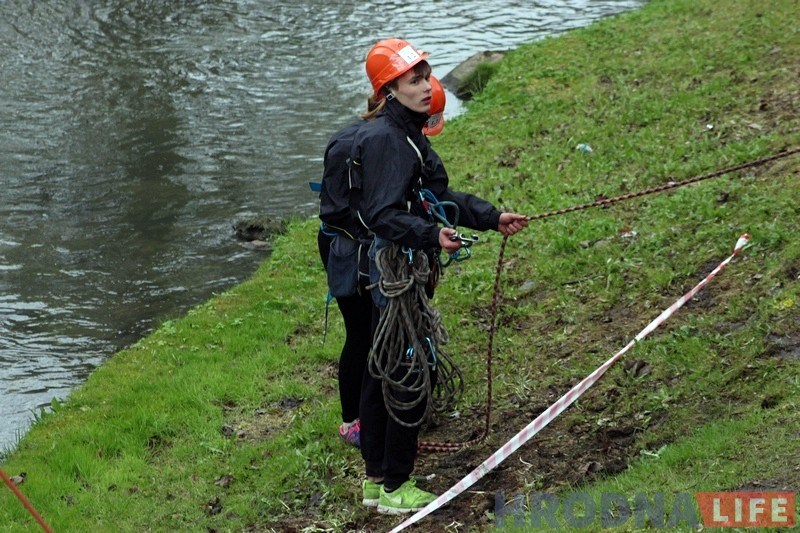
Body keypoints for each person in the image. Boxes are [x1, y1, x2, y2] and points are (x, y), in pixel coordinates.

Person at [349, 38, 527, 514]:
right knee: (407, 370)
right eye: (415, 80)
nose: (428, 86)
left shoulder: (408, 133)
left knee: (381, 368)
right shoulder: (388, 140)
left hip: (398, 269)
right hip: (394, 273)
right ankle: (395, 486)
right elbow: (383, 214)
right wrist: (430, 235)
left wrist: (490, 217)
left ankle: (376, 482)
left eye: (427, 76)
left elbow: (437, 197)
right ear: (390, 89)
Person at [317, 75, 449, 449]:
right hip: (359, 252)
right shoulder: (377, 144)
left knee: (378, 332)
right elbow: (377, 210)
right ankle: (360, 422)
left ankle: (382, 413)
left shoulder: (382, 138)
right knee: (371, 334)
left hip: (354, 247)